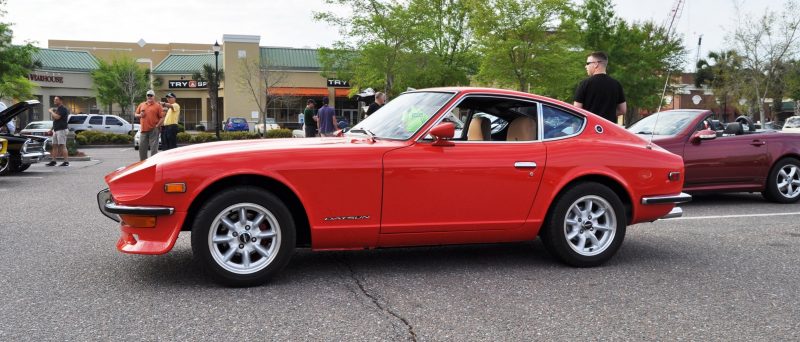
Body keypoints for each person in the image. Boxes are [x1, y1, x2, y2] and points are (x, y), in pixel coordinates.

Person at [573, 51, 627, 124]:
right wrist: (608, 116)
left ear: (596, 64)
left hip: (589, 130)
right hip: (609, 129)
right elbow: (622, 110)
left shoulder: (584, 84)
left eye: (587, 63)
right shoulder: (616, 84)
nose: (586, 66)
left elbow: (577, 109)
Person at [135, 90, 165, 160]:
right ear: (146, 96)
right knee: (142, 148)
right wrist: (140, 115)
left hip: (153, 130)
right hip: (143, 130)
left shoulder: (158, 106)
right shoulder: (142, 104)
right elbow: (136, 114)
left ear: (154, 96)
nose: (149, 97)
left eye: (151, 95)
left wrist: (157, 126)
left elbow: (162, 117)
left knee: (154, 149)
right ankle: (143, 164)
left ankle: (153, 163)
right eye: (148, 95)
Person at [46, 96, 70, 166]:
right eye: (54, 99)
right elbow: (55, 121)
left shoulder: (63, 109)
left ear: (61, 101)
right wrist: (51, 129)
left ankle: (66, 162)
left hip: (62, 130)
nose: (55, 101)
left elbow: (57, 117)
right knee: (54, 146)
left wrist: (51, 111)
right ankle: (53, 161)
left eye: (56, 99)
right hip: (56, 130)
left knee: (62, 146)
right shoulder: (58, 109)